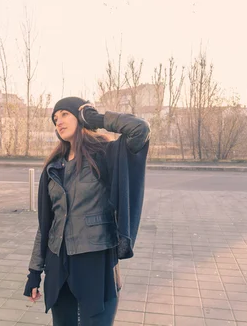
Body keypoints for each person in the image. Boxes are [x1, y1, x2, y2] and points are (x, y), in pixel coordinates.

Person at [23, 96, 151, 325]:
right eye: (54, 118)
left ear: (81, 117)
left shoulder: (105, 154)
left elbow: (139, 129)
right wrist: (34, 273)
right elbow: (46, 224)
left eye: (65, 114)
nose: (58, 122)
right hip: (58, 264)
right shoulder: (54, 165)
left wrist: (96, 118)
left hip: (96, 261)